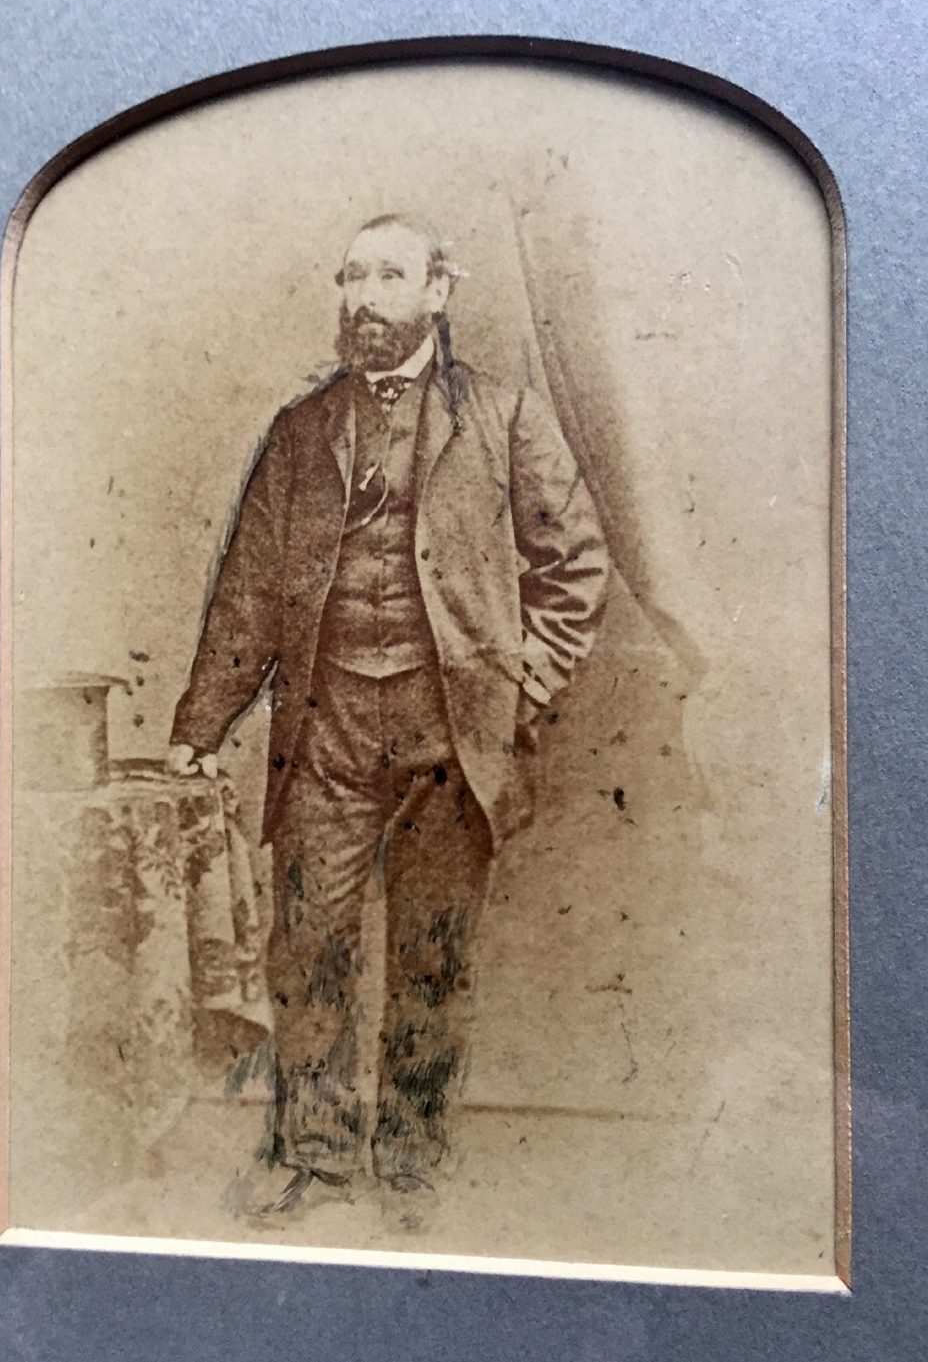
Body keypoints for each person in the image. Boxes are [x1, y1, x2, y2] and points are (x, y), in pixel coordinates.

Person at [168, 213, 609, 1213]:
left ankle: (411, 1157)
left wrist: (525, 685)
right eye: (353, 277)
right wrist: (200, 728)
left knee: (431, 954)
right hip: (325, 735)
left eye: (390, 276)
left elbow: (576, 564)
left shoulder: (503, 416)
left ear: (438, 291)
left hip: (451, 738)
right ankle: (317, 1153)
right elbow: (247, 590)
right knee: (307, 947)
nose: (365, 298)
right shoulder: (301, 429)